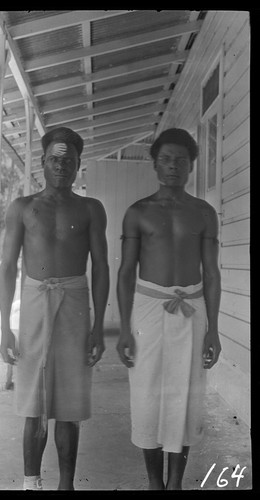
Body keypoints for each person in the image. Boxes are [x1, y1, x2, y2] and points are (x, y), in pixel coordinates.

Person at [0, 126, 109, 491]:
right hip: (34, 306)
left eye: (69, 161)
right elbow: (7, 268)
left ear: (79, 166)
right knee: (33, 402)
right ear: (42, 163)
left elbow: (102, 267)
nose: (62, 166)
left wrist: (97, 329)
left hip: (75, 308)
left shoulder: (90, 208)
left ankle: (66, 485)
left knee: (70, 405)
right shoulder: (23, 208)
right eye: (55, 160)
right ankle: (31, 483)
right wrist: (4, 328)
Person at [116, 128, 221, 490]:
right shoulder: (138, 212)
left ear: (191, 165)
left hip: (192, 309)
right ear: (155, 164)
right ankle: (154, 483)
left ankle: (175, 483)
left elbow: (211, 274)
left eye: (180, 160)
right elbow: (126, 272)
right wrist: (125, 329)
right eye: (165, 159)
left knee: (187, 396)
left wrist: (214, 330)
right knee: (147, 396)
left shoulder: (204, 212)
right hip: (148, 311)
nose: (173, 166)